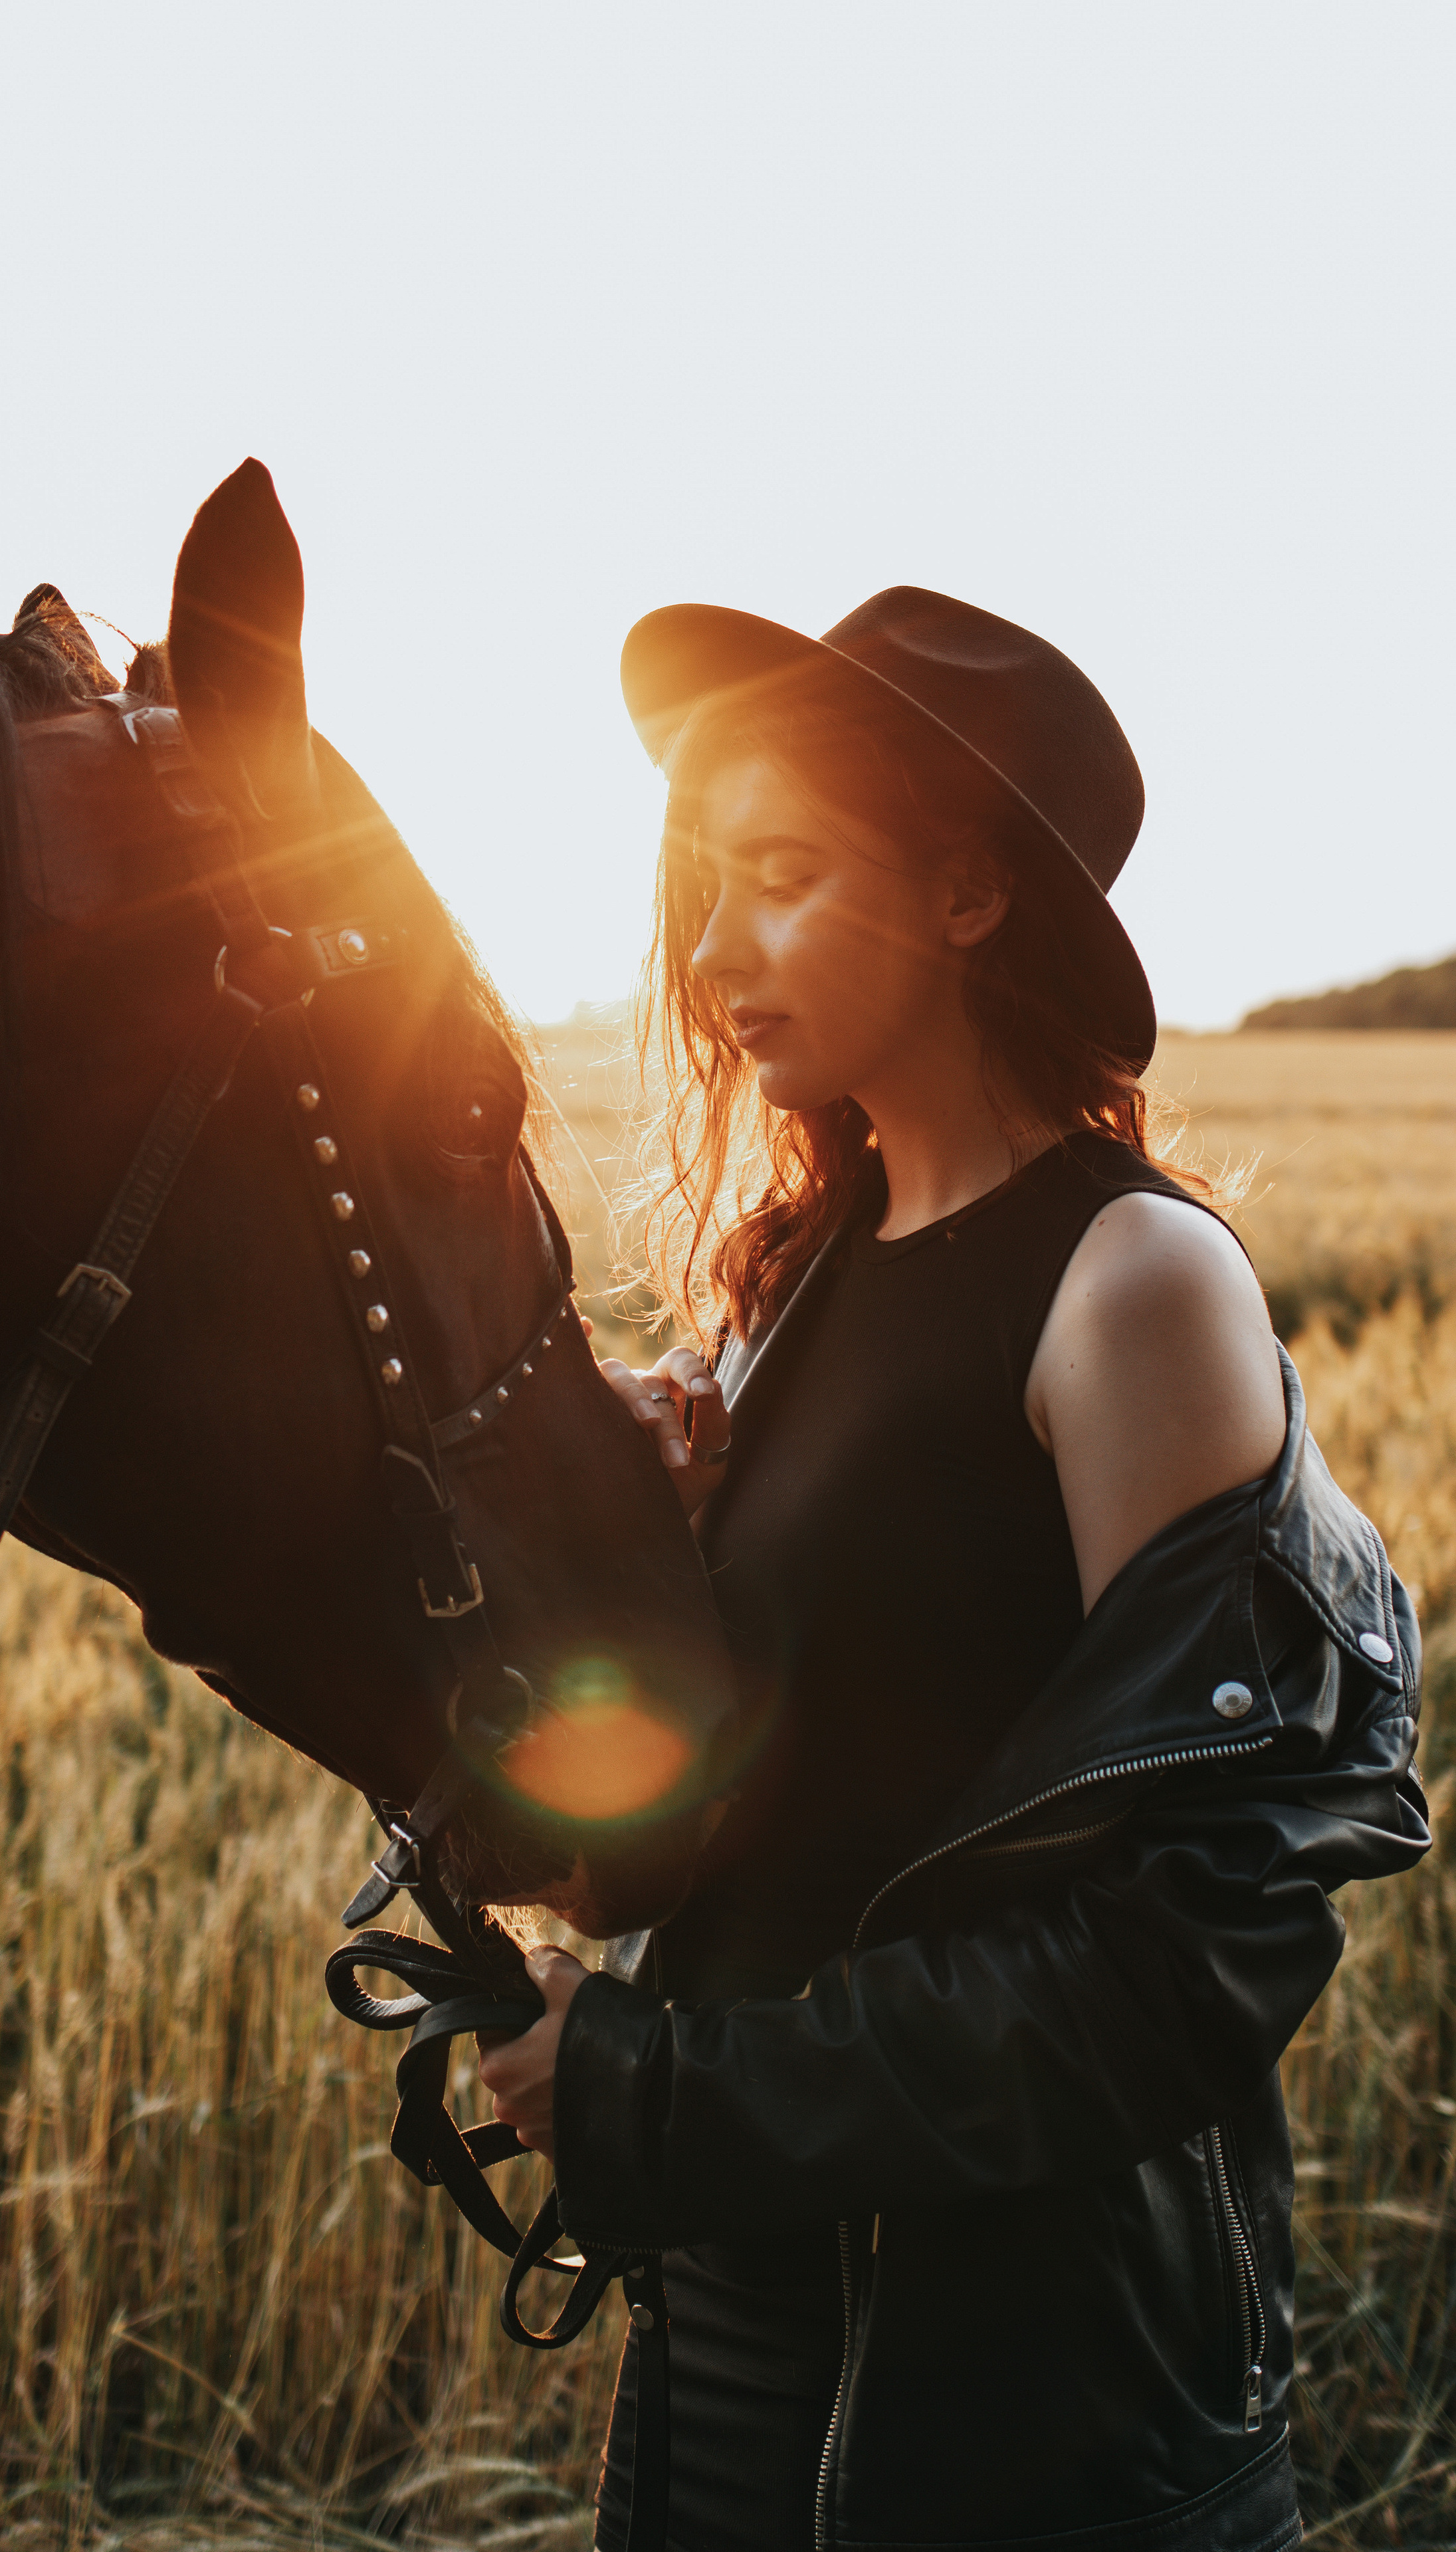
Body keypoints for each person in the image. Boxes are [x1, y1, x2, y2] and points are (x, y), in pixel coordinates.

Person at [476, 587, 1427, 2552]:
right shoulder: (788, 1292)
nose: (719, 949)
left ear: (976, 895)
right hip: (734, 2352)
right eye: (704, 888)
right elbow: (730, 1827)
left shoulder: (1132, 1289)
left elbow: (1192, 1960)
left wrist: (675, 2109)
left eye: (787, 875)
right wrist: (623, 1562)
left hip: (1025, 2411)